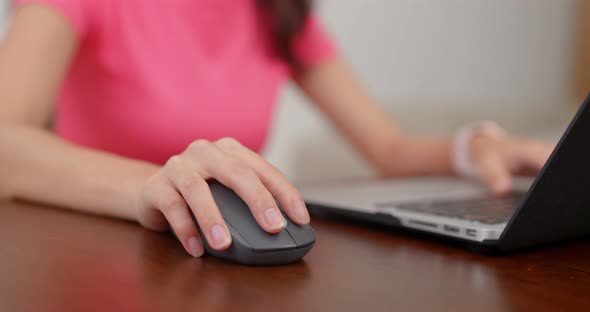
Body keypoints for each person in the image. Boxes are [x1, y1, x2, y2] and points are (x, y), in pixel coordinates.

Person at [0, 0, 552, 257]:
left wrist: (477, 144)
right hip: (95, 258)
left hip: (224, 278)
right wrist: (151, 185)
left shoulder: (279, 10)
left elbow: (390, 147)